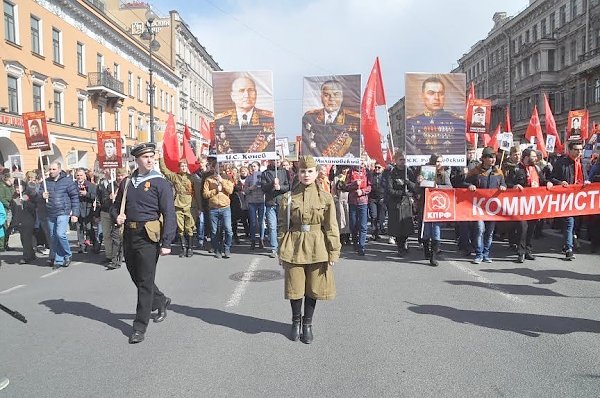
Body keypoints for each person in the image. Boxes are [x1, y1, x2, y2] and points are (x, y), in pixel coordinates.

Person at [112, 142, 176, 344]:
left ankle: (139, 326)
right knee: (136, 276)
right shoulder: (127, 182)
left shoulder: (160, 182)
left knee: (145, 281)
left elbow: (169, 213)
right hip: (129, 234)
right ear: (137, 159)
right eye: (145, 157)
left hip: (149, 235)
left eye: (152, 157)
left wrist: (167, 242)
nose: (150, 160)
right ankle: (160, 300)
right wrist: (117, 217)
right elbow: (115, 207)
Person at [277, 155, 341, 343]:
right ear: (297, 173)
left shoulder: (326, 197)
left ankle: (308, 324)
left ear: (316, 173)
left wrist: (333, 251)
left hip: (317, 245)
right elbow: (282, 225)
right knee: (295, 287)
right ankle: (295, 322)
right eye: (303, 171)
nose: (306, 174)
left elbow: (331, 226)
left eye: (310, 171)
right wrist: (280, 249)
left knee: (313, 288)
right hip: (294, 245)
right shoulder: (288, 198)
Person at [465, 147, 507, 264]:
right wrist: (469, 185)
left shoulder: (498, 172)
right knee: (480, 229)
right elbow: (465, 182)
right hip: (478, 207)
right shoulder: (476, 171)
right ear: (483, 159)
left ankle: (486, 253)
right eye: (489, 157)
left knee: (489, 232)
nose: (492, 160)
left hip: (492, 208)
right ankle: (478, 254)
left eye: (493, 157)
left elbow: (504, 184)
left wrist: (503, 187)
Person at [550, 140, 590, 260]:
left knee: (574, 223)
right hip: (566, 198)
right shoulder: (560, 163)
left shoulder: (581, 163)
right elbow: (551, 178)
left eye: (580, 150)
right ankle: (569, 248)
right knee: (569, 222)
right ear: (570, 150)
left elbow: (585, 177)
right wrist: (560, 182)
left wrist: (587, 181)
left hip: (579, 199)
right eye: (576, 149)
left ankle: (568, 242)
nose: (579, 152)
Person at [214, 75, 274, 154]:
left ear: (256, 94)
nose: (246, 95)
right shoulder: (220, 121)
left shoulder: (268, 119)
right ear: (232, 96)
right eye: (241, 91)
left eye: (250, 90)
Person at [405, 76, 465, 156]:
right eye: (431, 93)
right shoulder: (411, 122)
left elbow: (459, 149)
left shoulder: (458, 122)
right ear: (422, 96)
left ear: (444, 96)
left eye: (440, 94)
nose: (437, 98)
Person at [301, 80, 360, 158]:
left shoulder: (354, 119)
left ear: (342, 98)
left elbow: (356, 148)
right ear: (321, 98)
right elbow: (307, 145)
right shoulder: (309, 118)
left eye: (336, 95)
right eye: (326, 95)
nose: (331, 99)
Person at [513, 148, 553, 263]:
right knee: (523, 228)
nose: (536, 159)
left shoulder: (536, 168)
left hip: (534, 204)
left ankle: (528, 250)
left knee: (531, 228)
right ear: (526, 157)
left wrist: (548, 183)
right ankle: (520, 252)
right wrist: (515, 186)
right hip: (520, 204)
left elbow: (543, 180)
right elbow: (508, 182)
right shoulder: (516, 169)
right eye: (533, 156)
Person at [159, 154, 198, 258]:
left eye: (185, 166)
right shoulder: (175, 176)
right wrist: (160, 157)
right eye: (182, 166)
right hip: (178, 204)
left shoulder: (192, 178)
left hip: (190, 205)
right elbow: (164, 170)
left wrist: (200, 208)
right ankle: (183, 248)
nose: (183, 167)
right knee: (180, 228)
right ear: (179, 167)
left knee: (189, 227)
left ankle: (190, 248)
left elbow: (197, 192)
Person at [42, 162, 79, 269]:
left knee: (60, 234)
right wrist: (41, 195)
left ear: (59, 169)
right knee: (53, 237)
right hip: (50, 212)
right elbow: (38, 194)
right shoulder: (46, 182)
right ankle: (59, 259)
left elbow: (74, 197)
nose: (51, 171)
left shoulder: (67, 181)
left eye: (53, 169)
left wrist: (75, 213)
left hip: (63, 211)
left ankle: (67, 254)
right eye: (50, 169)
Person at [416, 154, 451, 267]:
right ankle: (426, 249)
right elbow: (417, 189)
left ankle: (433, 255)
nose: (439, 163)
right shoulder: (425, 171)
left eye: (440, 161)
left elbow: (449, 187)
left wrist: (437, 187)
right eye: (437, 161)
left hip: (437, 205)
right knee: (426, 230)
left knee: (436, 229)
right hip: (426, 204)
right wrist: (418, 182)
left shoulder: (444, 174)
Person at [385, 152, 416, 255]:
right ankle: (400, 247)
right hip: (396, 203)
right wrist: (401, 192)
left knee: (406, 227)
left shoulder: (409, 172)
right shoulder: (391, 173)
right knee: (397, 228)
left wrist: (408, 184)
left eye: (404, 160)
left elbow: (415, 187)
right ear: (396, 160)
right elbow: (390, 190)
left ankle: (404, 242)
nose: (402, 162)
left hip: (406, 203)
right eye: (400, 160)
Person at [203, 164, 234, 259]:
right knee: (214, 231)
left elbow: (230, 191)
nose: (218, 169)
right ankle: (217, 249)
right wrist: (216, 190)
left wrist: (222, 182)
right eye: (216, 167)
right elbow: (205, 194)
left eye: (220, 167)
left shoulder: (228, 178)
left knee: (228, 230)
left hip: (225, 208)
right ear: (213, 169)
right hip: (213, 208)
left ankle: (227, 247)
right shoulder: (208, 179)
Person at [262, 157, 291, 258]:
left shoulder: (285, 172)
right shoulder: (265, 173)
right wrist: (272, 184)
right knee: (272, 226)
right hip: (270, 203)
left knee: (283, 225)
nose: (277, 162)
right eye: (275, 160)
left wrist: (280, 187)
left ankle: (283, 246)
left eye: (278, 160)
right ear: (271, 161)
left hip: (282, 202)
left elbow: (289, 186)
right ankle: (274, 248)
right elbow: (263, 188)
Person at [344, 163, 372, 256]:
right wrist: (354, 184)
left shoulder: (367, 172)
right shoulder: (350, 172)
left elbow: (370, 187)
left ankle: (362, 246)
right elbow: (346, 186)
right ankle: (355, 242)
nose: (361, 164)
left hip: (363, 202)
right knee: (353, 224)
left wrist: (363, 191)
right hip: (353, 202)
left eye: (362, 162)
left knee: (363, 225)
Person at [74, 169, 97, 254]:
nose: (79, 177)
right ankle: (82, 246)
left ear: (84, 176)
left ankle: (94, 243)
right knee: (79, 228)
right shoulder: (73, 185)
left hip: (88, 209)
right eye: (78, 175)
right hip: (77, 209)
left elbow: (94, 196)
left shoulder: (91, 185)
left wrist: (86, 194)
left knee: (89, 228)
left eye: (81, 175)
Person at [245, 161, 265, 250]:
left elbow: (266, 187)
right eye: (252, 166)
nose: (253, 168)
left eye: (255, 166)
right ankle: (253, 240)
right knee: (253, 222)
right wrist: (250, 188)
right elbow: (245, 191)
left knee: (261, 222)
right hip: (252, 202)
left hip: (261, 201)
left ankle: (261, 239)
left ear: (258, 167)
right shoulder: (248, 178)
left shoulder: (263, 176)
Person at [368, 161, 386, 241]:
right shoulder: (371, 175)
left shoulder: (384, 176)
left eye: (379, 167)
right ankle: (373, 233)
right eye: (376, 167)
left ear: (382, 168)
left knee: (380, 217)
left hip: (382, 199)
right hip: (373, 199)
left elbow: (387, 187)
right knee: (373, 216)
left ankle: (377, 232)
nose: (377, 169)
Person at [0, 172, 15, 251]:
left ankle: (6, 244)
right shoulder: (2, 186)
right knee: (4, 227)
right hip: (5, 209)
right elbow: (1, 198)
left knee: (9, 228)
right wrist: (9, 205)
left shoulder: (11, 186)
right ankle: (2, 245)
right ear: (7, 178)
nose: (13, 179)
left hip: (11, 209)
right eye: (12, 178)